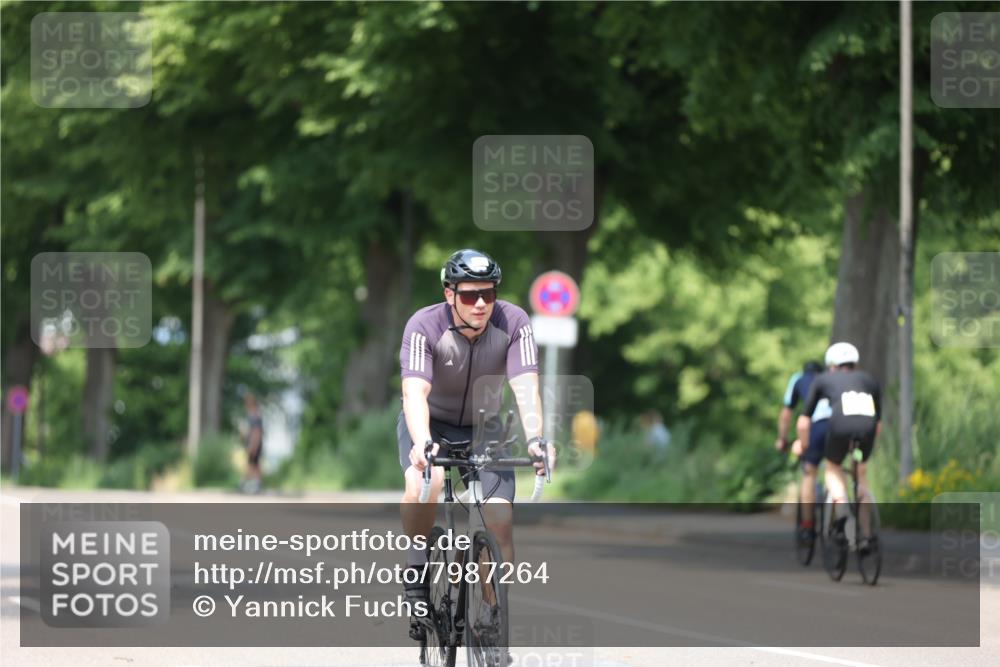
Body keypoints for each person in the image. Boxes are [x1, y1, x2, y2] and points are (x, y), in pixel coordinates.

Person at [397, 249, 556, 617]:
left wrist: (535, 440)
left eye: (489, 293)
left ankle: (490, 621)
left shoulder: (514, 322)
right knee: (427, 481)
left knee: (500, 524)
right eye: (470, 295)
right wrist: (423, 441)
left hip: (485, 428)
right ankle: (417, 564)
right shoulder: (424, 326)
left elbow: (526, 387)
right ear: (449, 294)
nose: (481, 304)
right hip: (430, 422)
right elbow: (414, 392)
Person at [797, 342, 882, 552]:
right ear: (855, 363)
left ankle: (842, 507)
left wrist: (804, 444)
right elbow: (878, 424)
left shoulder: (824, 379)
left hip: (840, 426)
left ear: (831, 365)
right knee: (860, 475)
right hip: (867, 428)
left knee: (833, 468)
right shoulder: (869, 380)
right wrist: (865, 450)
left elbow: (804, 421)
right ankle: (866, 535)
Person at [775, 360, 831, 545]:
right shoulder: (830, 379)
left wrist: (783, 439)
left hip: (814, 428)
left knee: (809, 473)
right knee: (835, 469)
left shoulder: (798, 380)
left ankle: (807, 526)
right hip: (838, 427)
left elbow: (786, 414)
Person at [241, 393, 264, 494]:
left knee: (252, 465)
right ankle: (256, 484)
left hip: (254, 444)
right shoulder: (255, 415)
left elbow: (257, 432)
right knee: (255, 464)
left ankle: (246, 484)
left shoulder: (255, 416)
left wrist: (253, 446)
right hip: (256, 444)